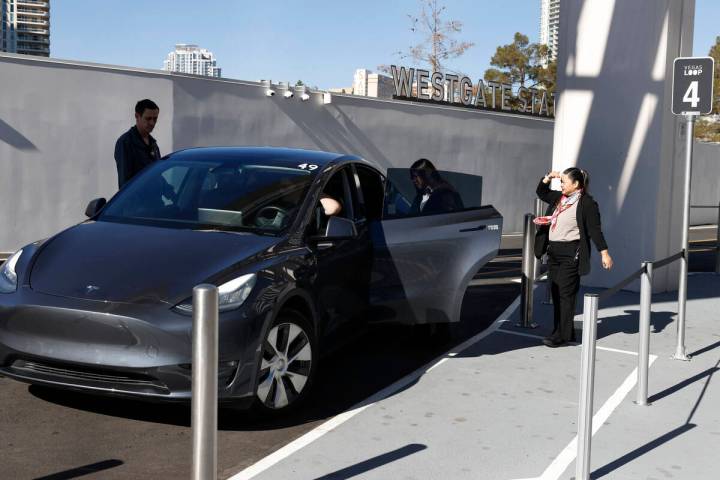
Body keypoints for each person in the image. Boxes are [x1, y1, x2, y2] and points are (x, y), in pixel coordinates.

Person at [534, 167, 614, 347]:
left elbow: (595, 230)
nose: (561, 184)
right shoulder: (559, 199)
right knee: (556, 292)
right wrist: (548, 177)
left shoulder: (587, 204)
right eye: (560, 182)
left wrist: (604, 252)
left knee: (566, 293)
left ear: (576, 184)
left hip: (571, 253)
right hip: (554, 252)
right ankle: (565, 331)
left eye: (564, 182)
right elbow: (541, 192)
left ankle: (560, 335)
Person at [114, 99, 161, 188]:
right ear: (137, 116)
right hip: (137, 201)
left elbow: (157, 175)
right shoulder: (125, 143)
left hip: (154, 200)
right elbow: (126, 183)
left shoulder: (153, 145)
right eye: (148, 118)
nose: (152, 123)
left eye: (155, 119)